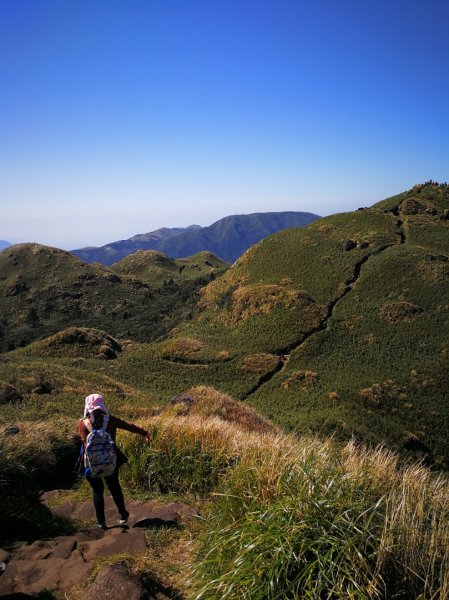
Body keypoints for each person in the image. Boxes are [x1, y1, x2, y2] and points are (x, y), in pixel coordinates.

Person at [77, 393, 151, 529]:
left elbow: (83, 443)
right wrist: (144, 433)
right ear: (102, 405)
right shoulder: (110, 420)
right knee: (114, 486)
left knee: (97, 490)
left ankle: (101, 522)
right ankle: (123, 514)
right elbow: (129, 426)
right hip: (110, 460)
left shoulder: (82, 424)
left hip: (91, 463)